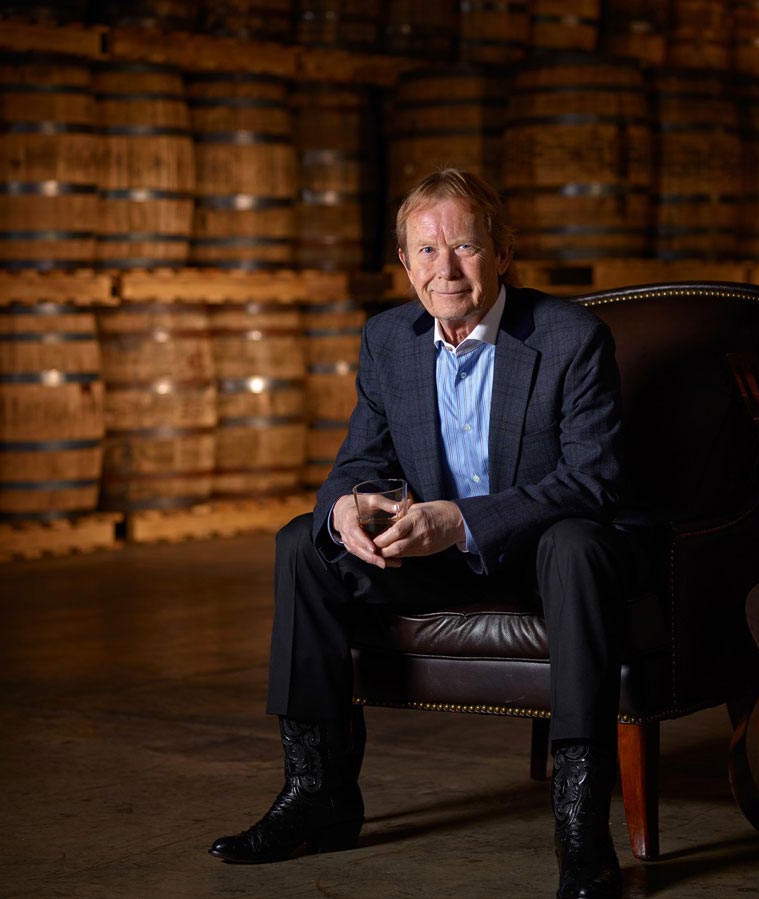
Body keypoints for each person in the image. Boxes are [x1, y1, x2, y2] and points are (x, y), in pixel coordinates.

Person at [209, 169, 633, 899]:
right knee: (302, 544)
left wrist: (463, 521)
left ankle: (581, 830)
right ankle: (319, 794)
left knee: (579, 543)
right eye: (427, 251)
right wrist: (345, 506)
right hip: (432, 557)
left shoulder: (572, 339)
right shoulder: (388, 340)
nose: (446, 268)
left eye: (464, 246)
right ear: (406, 264)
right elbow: (359, 461)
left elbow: (592, 480)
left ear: (502, 252)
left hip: (538, 558)